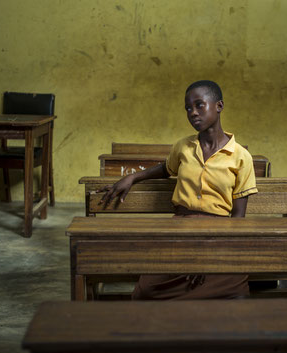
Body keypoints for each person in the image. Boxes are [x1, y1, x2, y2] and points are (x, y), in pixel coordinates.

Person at [98, 80, 258, 300]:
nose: (193, 113)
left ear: (219, 106)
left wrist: (209, 257)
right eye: (188, 108)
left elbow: (238, 218)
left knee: (234, 290)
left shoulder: (241, 157)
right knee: (147, 290)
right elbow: (166, 169)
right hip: (180, 230)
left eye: (199, 105)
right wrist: (132, 177)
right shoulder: (183, 146)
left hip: (219, 235)